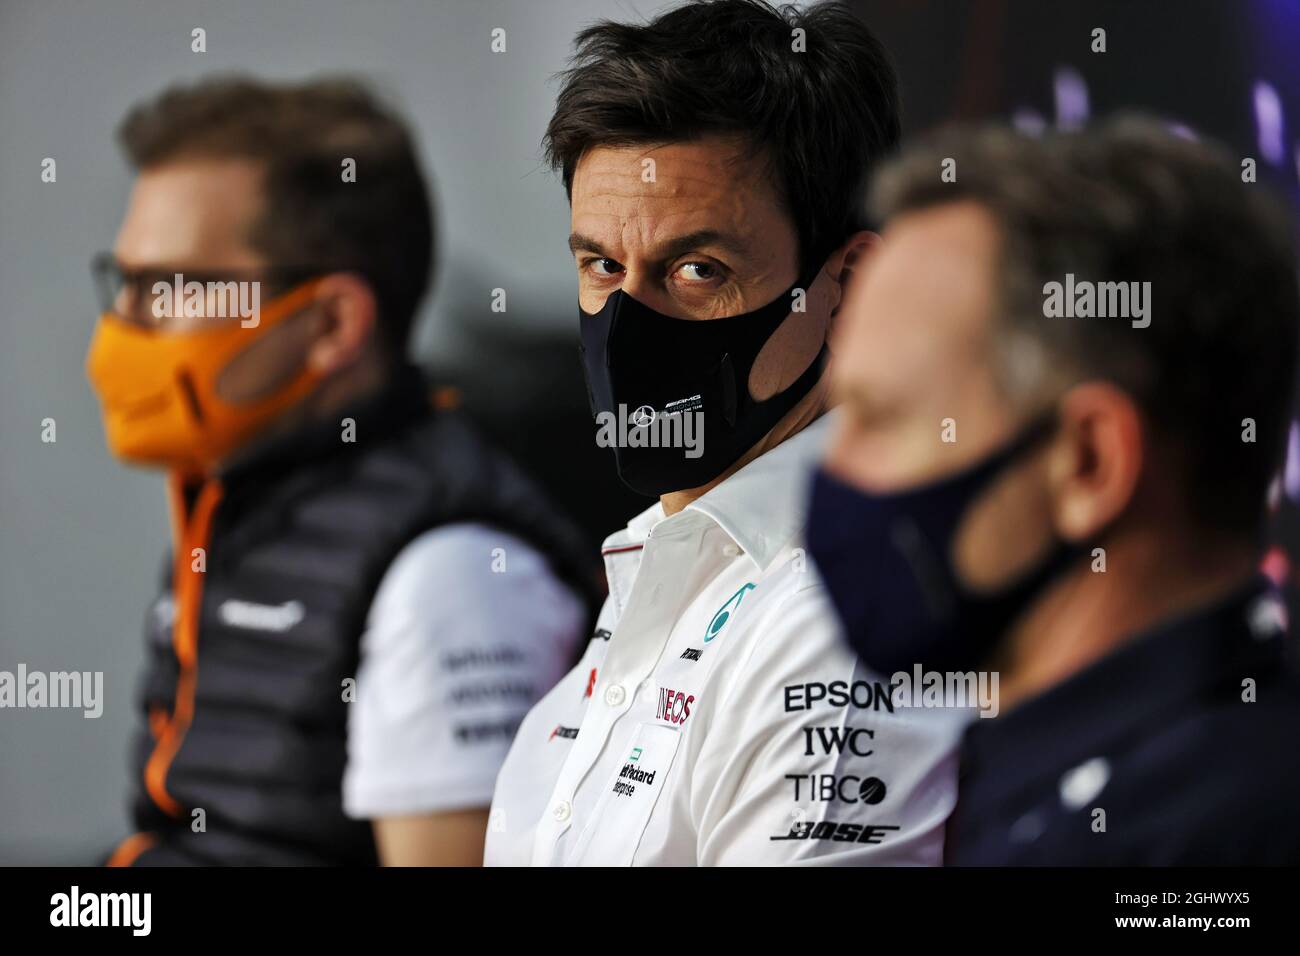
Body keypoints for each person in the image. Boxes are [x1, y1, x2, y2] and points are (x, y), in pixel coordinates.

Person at [485, 0, 964, 866]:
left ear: (849, 285)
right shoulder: (660, 562)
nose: (630, 324)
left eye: (698, 269)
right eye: (600, 265)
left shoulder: (843, 617)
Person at [87, 76, 595, 866]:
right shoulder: (239, 498)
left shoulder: (451, 572)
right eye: (124, 284)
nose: (126, 327)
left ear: (329, 324)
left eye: (169, 287)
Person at [808, 117, 1300, 864]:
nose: (831, 468)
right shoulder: (1053, 784)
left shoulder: (1199, 846)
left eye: (882, 419)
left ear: (1089, 463)